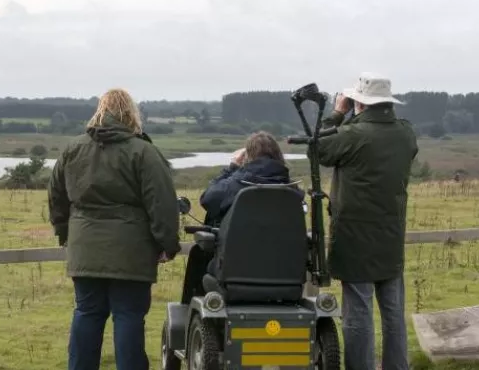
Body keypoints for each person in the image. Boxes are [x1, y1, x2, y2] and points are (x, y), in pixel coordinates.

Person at [47, 88, 181, 370]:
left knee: (86, 313)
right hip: (132, 251)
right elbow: (162, 203)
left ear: (100, 110)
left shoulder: (73, 149)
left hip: (84, 249)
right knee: (129, 317)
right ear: (131, 114)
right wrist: (167, 244)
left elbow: (56, 195)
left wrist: (65, 233)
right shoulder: (143, 152)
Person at [317, 72, 419, 370]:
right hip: (390, 233)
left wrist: (337, 113)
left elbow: (319, 148)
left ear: (358, 103)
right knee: (393, 313)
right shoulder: (405, 133)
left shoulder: (353, 135)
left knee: (358, 312)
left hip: (355, 236)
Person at [200, 131, 304, 276]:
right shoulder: (292, 191)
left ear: (248, 157)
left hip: (236, 273)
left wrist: (232, 168)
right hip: (283, 274)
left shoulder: (236, 184)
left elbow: (207, 199)